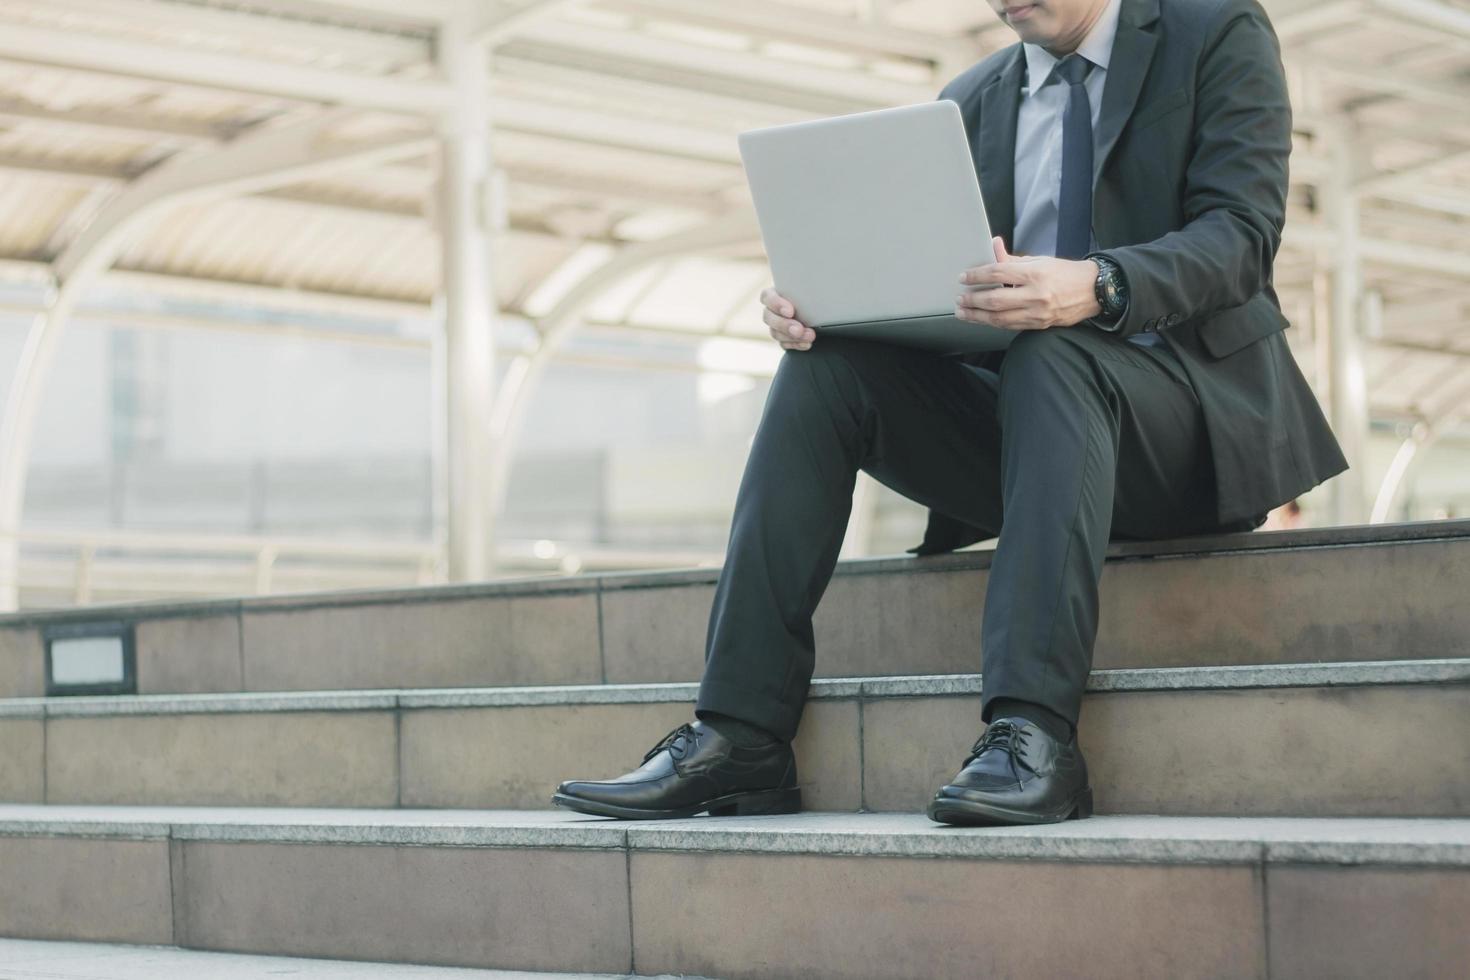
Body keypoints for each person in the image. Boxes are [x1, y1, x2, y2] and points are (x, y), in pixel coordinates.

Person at [552, 0, 1347, 826]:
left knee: (1055, 344)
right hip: (1036, 437)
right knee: (827, 368)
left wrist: (1097, 284)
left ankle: (1032, 734)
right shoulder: (971, 100)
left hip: (1184, 422)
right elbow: (933, 290)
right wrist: (826, 308)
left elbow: (1242, 237)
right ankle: (740, 736)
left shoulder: (1214, 31)